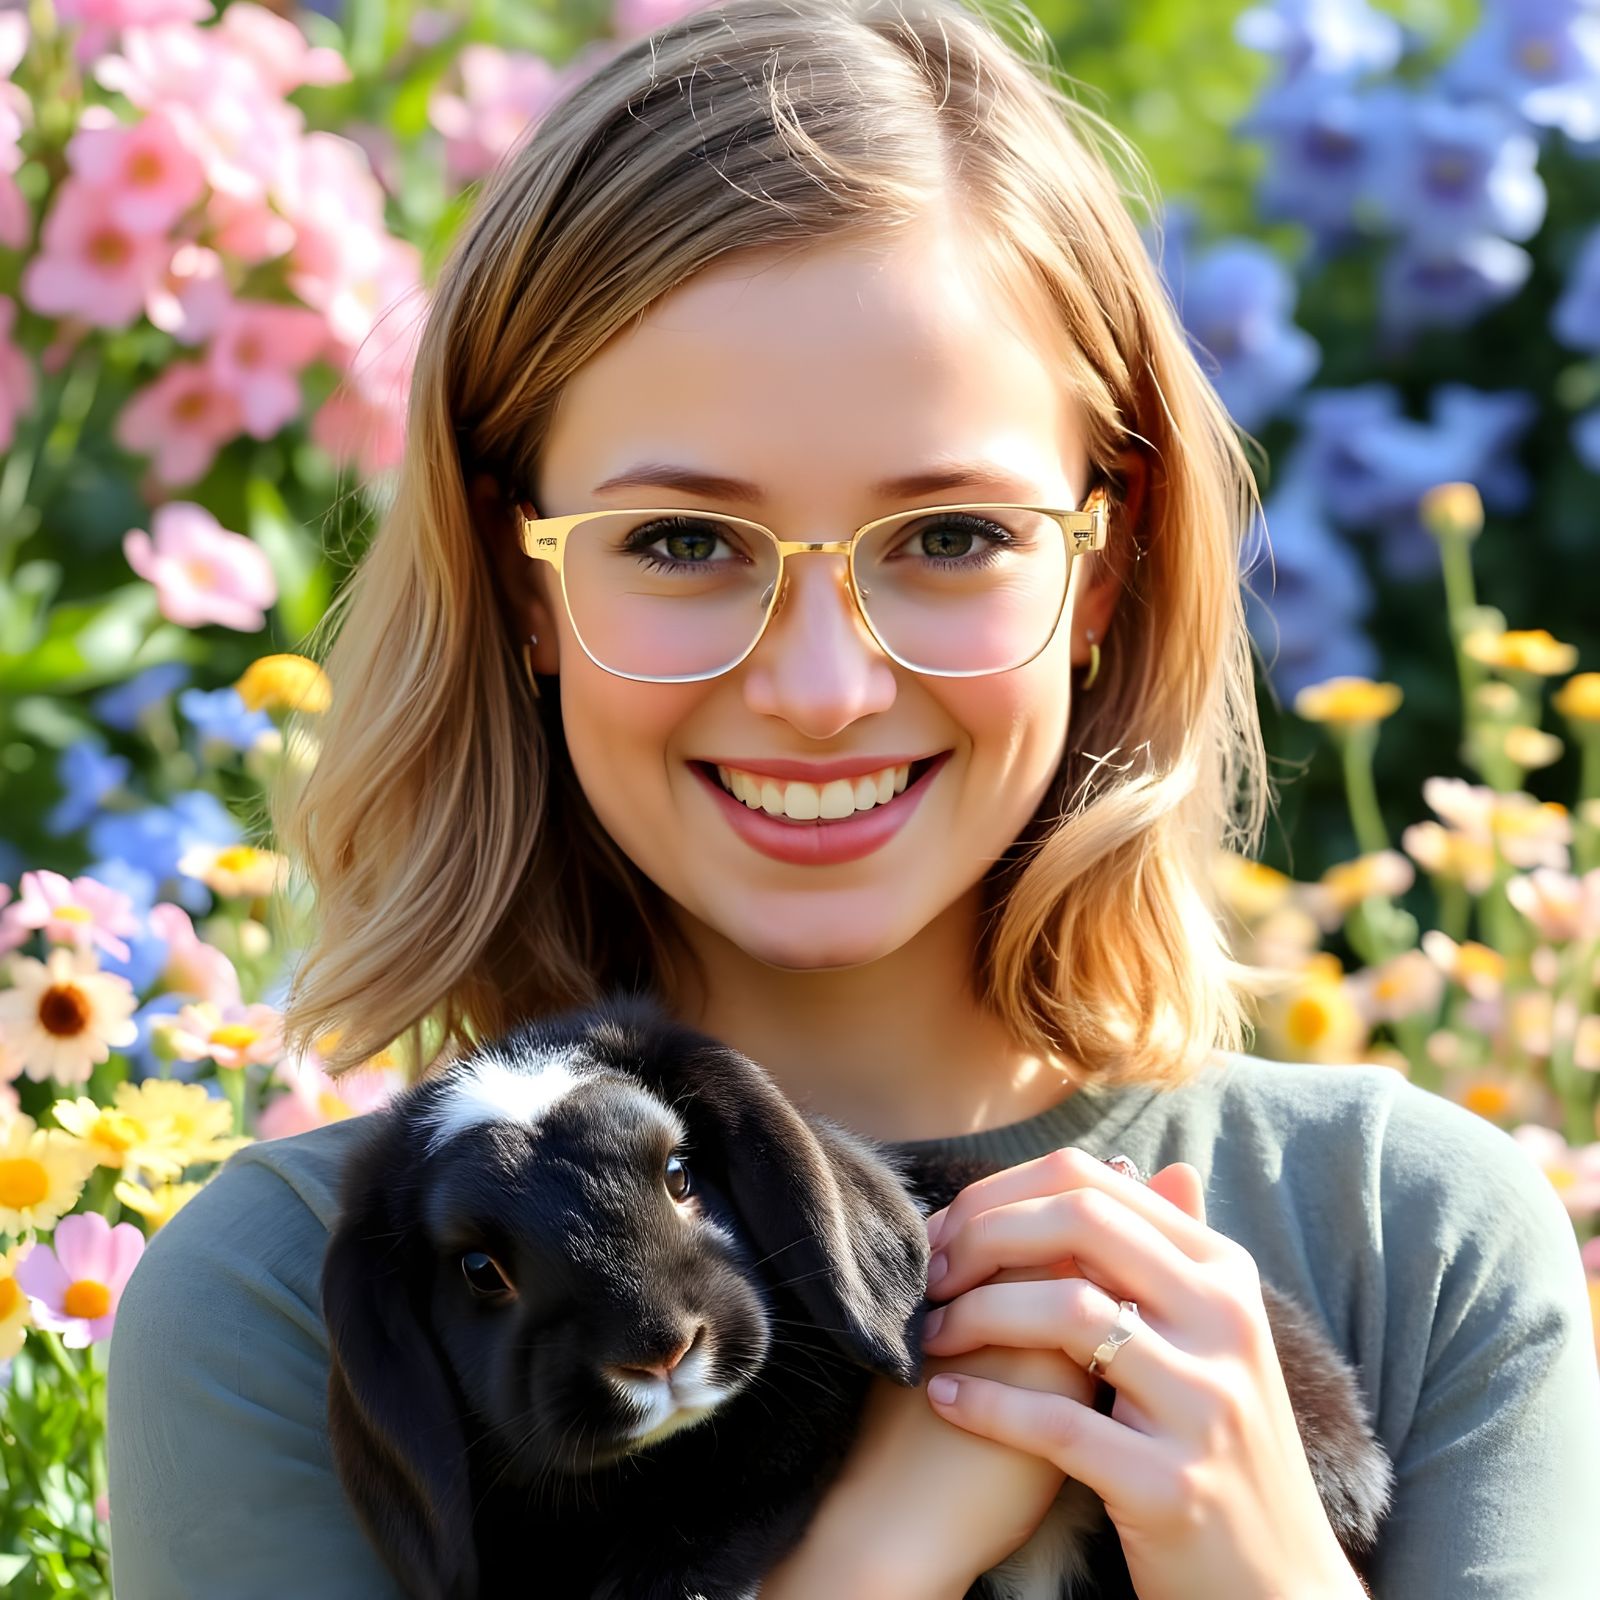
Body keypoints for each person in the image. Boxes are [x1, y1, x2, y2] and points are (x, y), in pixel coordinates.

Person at [104, 0, 1600, 1595]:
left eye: (950, 535)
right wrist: (881, 1552)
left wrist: (1264, 1571)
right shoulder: (305, 1305)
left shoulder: (1406, 1240)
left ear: (1107, 560)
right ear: (520, 582)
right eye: (684, 542)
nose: (821, 689)